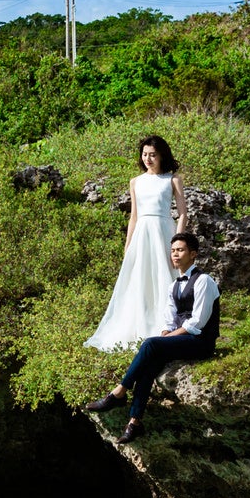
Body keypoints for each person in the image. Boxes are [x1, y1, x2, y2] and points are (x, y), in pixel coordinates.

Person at [84, 231, 218, 441]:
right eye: (173, 251)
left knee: (150, 344)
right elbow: (169, 320)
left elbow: (197, 322)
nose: (175, 254)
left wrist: (165, 339)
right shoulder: (174, 285)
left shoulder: (204, 281)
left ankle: (119, 392)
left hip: (201, 342)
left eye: (180, 250)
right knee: (149, 367)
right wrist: (166, 334)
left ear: (193, 254)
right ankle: (134, 422)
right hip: (181, 339)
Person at [84, 135, 187, 353]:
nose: (148, 159)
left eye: (153, 155)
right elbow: (134, 216)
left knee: (166, 276)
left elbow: (183, 214)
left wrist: (178, 243)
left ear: (162, 156)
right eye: (144, 154)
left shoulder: (172, 179)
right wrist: (128, 245)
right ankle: (140, 325)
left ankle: (168, 327)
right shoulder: (136, 182)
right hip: (142, 233)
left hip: (163, 231)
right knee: (140, 278)